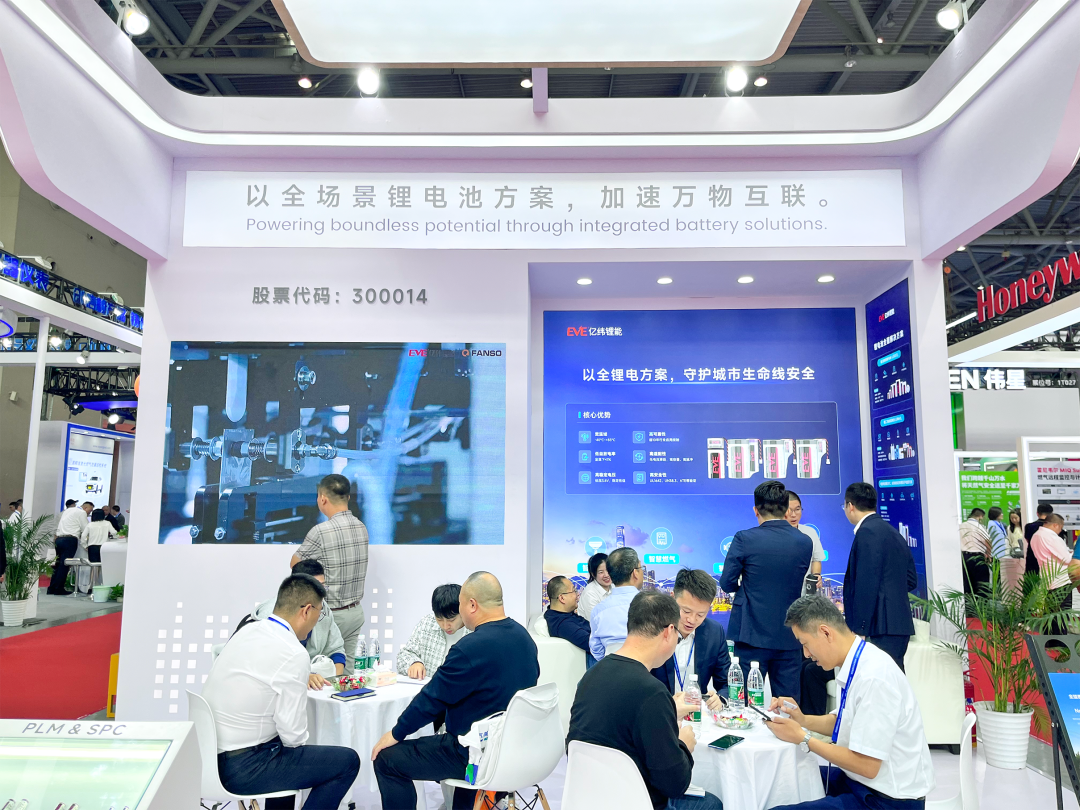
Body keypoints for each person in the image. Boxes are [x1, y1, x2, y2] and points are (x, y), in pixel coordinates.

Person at [372, 572, 539, 810]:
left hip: (474, 753)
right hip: (515, 747)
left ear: (472, 605)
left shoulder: (470, 648)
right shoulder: (523, 637)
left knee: (386, 760)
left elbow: (432, 699)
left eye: (459, 605)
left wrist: (396, 733)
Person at [202, 573, 361, 810]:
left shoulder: (246, 631)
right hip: (244, 767)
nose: (316, 623)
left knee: (283, 750)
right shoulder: (293, 653)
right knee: (347, 762)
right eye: (319, 615)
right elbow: (293, 735)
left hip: (207, 756)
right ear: (306, 611)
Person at [766, 594, 934, 810]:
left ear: (826, 632)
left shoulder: (874, 677)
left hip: (887, 800)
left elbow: (867, 765)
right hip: (860, 782)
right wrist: (802, 720)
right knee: (786, 775)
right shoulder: (857, 660)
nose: (806, 654)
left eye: (805, 644)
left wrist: (803, 738)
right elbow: (843, 721)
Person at [567, 590, 724, 810]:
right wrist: (683, 745)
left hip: (587, 797)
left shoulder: (591, 676)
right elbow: (674, 784)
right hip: (636, 801)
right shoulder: (652, 693)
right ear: (669, 632)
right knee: (712, 804)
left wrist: (669, 710)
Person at [719, 481, 811, 702]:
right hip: (789, 635)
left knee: (744, 703)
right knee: (788, 706)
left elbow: (727, 582)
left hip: (750, 633)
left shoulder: (744, 538)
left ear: (755, 510)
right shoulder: (804, 542)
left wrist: (745, 588)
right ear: (786, 509)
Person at [292, 474, 369, 673]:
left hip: (330, 615)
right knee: (346, 673)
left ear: (322, 498)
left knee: (320, 674)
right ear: (348, 497)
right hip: (355, 612)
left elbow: (296, 566)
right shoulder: (361, 527)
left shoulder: (321, 531)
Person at [842, 483, 918, 672]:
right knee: (894, 680)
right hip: (898, 624)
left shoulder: (867, 532)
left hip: (879, 626)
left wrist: (860, 628)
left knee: (880, 681)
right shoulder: (893, 532)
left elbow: (866, 583)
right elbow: (911, 579)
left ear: (850, 506)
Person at [242, 559, 347, 690]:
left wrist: (333, 683)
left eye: (323, 587)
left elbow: (336, 650)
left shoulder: (323, 610)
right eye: (315, 588)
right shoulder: (269, 619)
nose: (321, 595)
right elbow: (265, 668)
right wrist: (302, 677)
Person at [651, 568, 729, 708]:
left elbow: (727, 683)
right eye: (686, 611)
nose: (692, 620)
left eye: (700, 615)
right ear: (673, 598)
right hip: (660, 711)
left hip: (698, 713)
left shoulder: (714, 632)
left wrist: (721, 699)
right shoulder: (654, 629)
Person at [396, 583, 470, 680]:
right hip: (429, 688)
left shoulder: (474, 630)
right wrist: (414, 663)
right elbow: (404, 655)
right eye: (439, 619)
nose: (445, 626)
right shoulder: (427, 623)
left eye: (451, 620)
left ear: (462, 611)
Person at [589, 546, 645, 660]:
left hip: (609, 667)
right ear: (635, 573)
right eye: (641, 568)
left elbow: (596, 649)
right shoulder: (652, 605)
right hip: (646, 668)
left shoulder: (598, 611)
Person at [1031, 513, 1080, 616]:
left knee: (1050, 614)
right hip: (1061, 580)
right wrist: (1074, 555)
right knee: (1062, 614)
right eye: (1061, 528)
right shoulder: (1052, 538)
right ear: (1056, 525)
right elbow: (1067, 559)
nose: (1060, 531)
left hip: (1046, 578)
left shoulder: (1035, 536)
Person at [787, 491, 826, 594]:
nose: (793, 515)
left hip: (805, 593)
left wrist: (816, 575)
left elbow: (816, 559)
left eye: (797, 509)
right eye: (789, 510)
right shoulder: (775, 535)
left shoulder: (810, 532)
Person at [47, 499, 88, 595]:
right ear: (85, 507)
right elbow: (85, 528)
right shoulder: (81, 512)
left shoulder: (66, 512)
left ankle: (52, 588)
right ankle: (59, 588)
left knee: (58, 564)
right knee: (65, 564)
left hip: (59, 539)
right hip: (70, 539)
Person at [545, 576, 593, 657]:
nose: (577, 594)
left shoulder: (565, 614)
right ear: (562, 598)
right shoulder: (563, 624)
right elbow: (591, 644)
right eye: (574, 591)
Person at [958, 508, 990, 595]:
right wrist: (989, 554)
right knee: (981, 584)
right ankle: (981, 603)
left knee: (967, 583)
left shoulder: (960, 526)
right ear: (981, 516)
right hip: (978, 557)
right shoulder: (980, 527)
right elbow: (987, 542)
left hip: (964, 557)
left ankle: (969, 602)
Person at [577, 552, 612, 622]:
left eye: (608, 570)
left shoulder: (614, 586)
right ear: (593, 574)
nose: (606, 575)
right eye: (601, 572)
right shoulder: (590, 593)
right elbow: (597, 622)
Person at [1025, 503, 1054, 576]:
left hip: (1032, 557)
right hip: (1048, 558)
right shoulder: (1053, 527)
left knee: (1032, 581)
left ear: (1037, 513)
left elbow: (1027, 539)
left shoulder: (1029, 526)